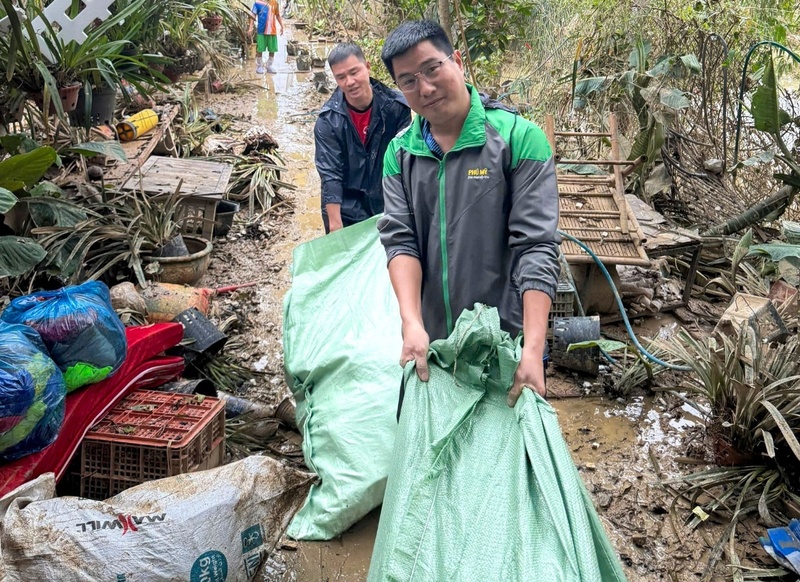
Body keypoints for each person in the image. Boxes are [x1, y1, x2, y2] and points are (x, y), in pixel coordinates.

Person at [377, 20, 561, 407]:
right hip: (435, 344)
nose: (424, 88)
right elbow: (400, 241)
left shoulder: (519, 139)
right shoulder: (399, 154)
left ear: (457, 60)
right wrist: (411, 323)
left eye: (432, 68)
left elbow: (536, 247)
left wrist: (532, 348)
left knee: (506, 458)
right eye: (408, 80)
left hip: (507, 343)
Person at [314, 42, 411, 233]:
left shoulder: (396, 108)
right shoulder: (328, 121)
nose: (349, 82)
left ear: (367, 67)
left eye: (354, 72)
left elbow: (407, 163)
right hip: (346, 207)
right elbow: (330, 175)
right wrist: (335, 225)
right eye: (341, 77)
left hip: (387, 200)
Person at [248, 0, 283, 74]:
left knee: (272, 49)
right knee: (260, 49)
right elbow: (252, 15)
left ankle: (269, 65)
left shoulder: (275, 3)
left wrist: (282, 26)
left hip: (272, 31)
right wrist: (250, 27)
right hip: (261, 31)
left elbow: (277, 15)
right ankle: (260, 65)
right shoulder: (257, 3)